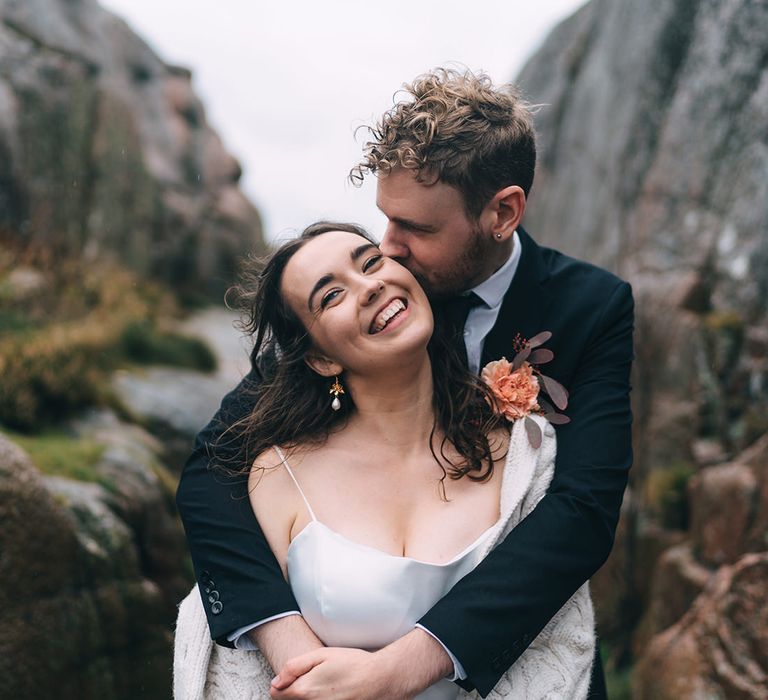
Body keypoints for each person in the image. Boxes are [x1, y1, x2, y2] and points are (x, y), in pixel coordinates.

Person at [175, 68, 634, 699]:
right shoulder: (378, 304)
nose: (387, 249)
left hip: (519, 662)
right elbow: (209, 469)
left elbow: (582, 513)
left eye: (414, 228)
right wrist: (289, 646)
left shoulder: (593, 308)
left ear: (502, 212)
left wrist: (397, 673)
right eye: (383, 219)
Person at [173, 222, 595, 699]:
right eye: (331, 296)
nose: (370, 284)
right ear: (320, 359)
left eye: (371, 262)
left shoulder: (522, 455)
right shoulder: (278, 473)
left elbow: (562, 591)